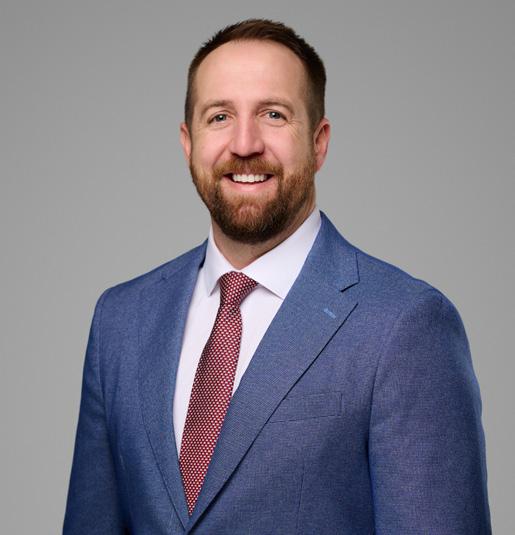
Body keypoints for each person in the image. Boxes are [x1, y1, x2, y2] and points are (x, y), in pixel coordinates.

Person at [63, 19, 491, 534]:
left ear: (319, 142)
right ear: (188, 143)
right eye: (219, 116)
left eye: (273, 114)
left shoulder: (404, 327)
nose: (245, 144)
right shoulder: (120, 321)